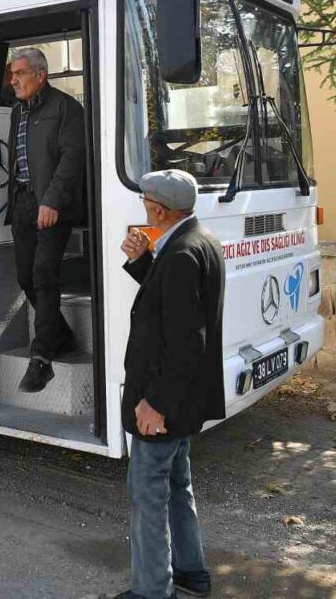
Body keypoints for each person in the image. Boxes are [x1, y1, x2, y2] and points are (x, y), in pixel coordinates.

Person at [113, 169, 225, 599]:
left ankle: (152, 591)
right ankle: (191, 575)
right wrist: (144, 261)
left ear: (158, 208)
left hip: (166, 405)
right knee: (179, 488)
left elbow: (184, 343)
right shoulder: (198, 241)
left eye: (145, 204)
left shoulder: (180, 254)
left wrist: (154, 403)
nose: (143, 209)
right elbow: (173, 307)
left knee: (149, 497)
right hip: (186, 403)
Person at [5, 47, 85, 393]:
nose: (13, 80)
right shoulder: (16, 111)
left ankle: (42, 358)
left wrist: (51, 201)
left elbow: (72, 160)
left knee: (43, 275)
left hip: (51, 205)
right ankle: (63, 336)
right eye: (12, 75)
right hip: (23, 203)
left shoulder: (66, 108)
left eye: (19, 73)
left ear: (41, 74)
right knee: (25, 277)